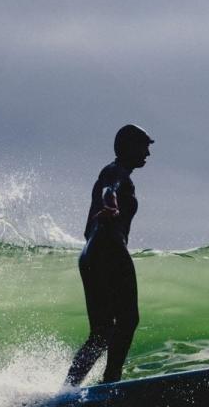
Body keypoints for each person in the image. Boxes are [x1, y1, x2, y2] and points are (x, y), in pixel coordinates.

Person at [64, 124, 154, 386]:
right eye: (144, 146)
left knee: (101, 332)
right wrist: (111, 206)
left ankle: (68, 389)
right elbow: (108, 190)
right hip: (110, 248)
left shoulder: (117, 173)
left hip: (90, 253)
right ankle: (111, 381)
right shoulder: (115, 173)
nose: (148, 153)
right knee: (129, 319)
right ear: (127, 147)